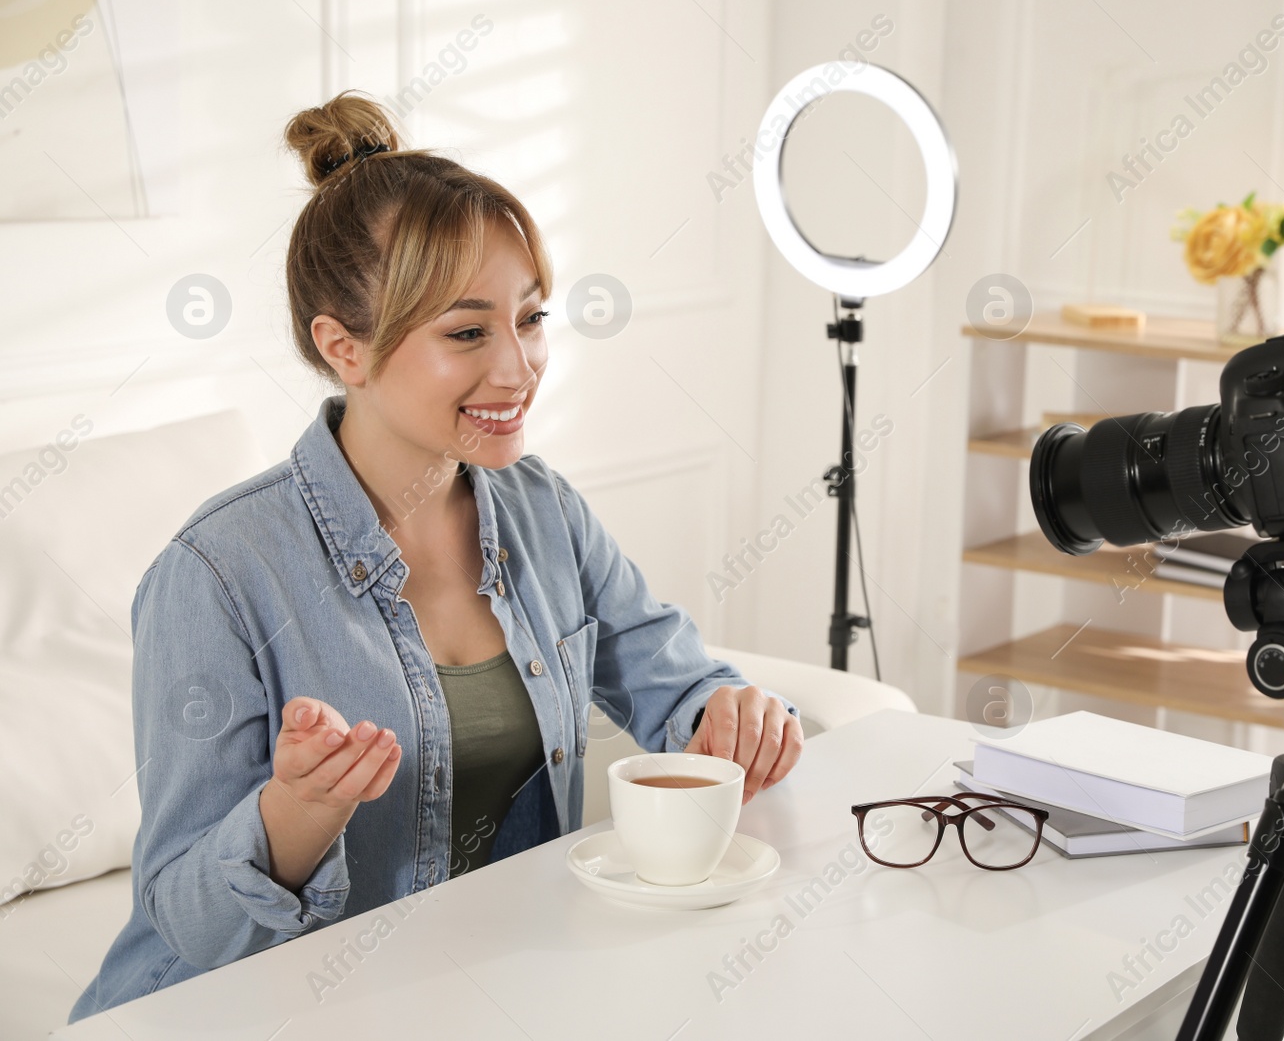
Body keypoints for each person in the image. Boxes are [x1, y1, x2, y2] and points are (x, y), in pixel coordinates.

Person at [70, 91, 803, 1023]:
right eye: (467, 332)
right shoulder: (216, 574)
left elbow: (679, 691)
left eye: (530, 319)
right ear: (345, 348)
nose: (518, 368)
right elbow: (186, 916)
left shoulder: (545, 512)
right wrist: (295, 812)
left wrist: (733, 715)